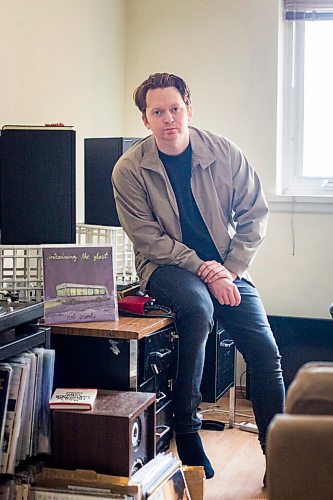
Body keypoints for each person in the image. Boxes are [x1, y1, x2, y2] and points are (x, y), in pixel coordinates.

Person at [112, 72, 285, 481]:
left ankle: (279, 456)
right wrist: (204, 270)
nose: (168, 118)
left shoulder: (224, 153)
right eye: (158, 112)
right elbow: (148, 238)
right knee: (197, 307)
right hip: (165, 267)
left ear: (189, 109)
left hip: (227, 265)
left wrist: (229, 269)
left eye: (175, 108)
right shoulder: (129, 169)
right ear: (145, 120)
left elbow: (254, 215)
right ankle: (187, 434)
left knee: (265, 352)